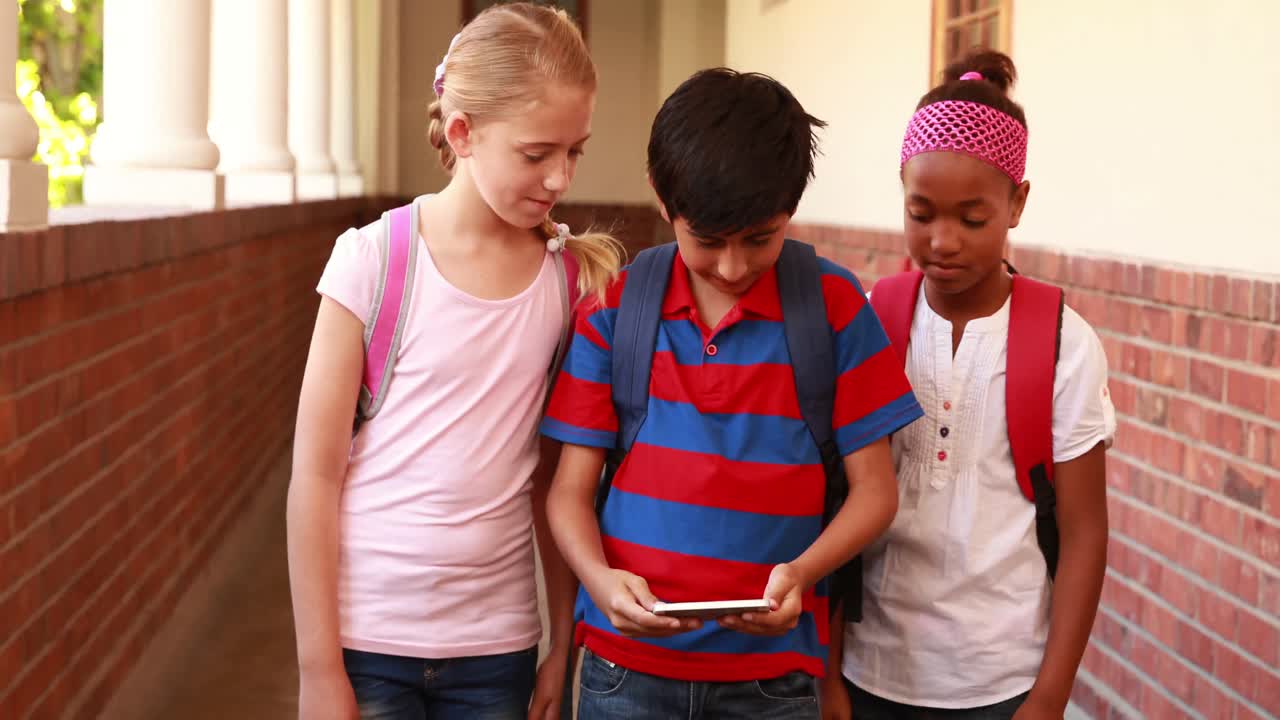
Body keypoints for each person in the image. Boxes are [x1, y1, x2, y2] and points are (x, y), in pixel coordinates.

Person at [541, 68, 923, 719]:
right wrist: (600, 584)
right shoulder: (615, 308)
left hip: (773, 683)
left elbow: (876, 491)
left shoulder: (832, 311)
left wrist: (802, 574)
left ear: (792, 207)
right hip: (624, 674)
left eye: (760, 239)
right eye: (707, 240)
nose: (733, 266)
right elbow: (568, 493)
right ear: (662, 199)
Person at [286, 4, 621, 718]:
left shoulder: (567, 283)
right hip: (367, 641)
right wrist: (319, 669)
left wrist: (563, 641)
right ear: (463, 133)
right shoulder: (372, 261)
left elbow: (551, 483)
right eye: (537, 154)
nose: (560, 176)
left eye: (575, 152)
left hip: (496, 649)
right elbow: (315, 476)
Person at [825, 50, 1116, 720]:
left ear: (1017, 202)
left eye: (972, 218)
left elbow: (1084, 532)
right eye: (921, 212)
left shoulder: (1064, 343)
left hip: (1002, 681)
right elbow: (837, 499)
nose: (942, 240)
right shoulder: (873, 321)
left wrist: (1049, 696)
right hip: (872, 670)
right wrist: (828, 674)